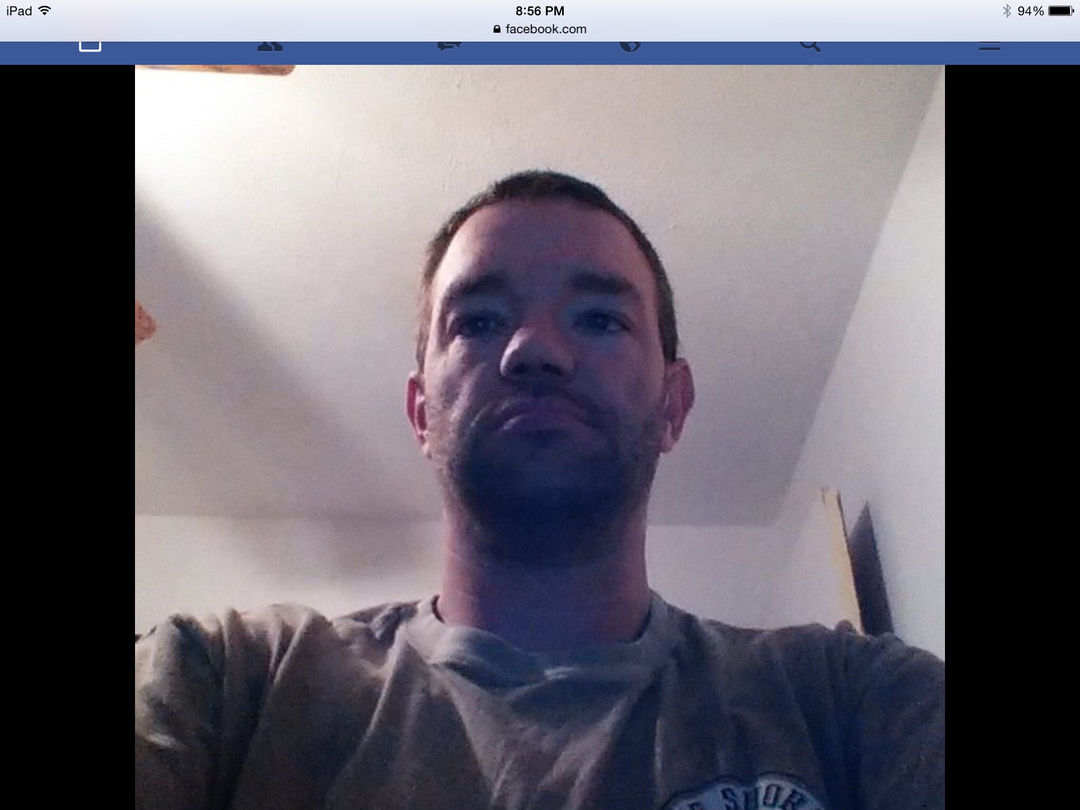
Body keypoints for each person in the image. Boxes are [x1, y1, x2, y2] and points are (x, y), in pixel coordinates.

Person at [135, 171, 944, 810]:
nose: (534, 350)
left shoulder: (850, 700)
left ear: (674, 405)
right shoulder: (229, 683)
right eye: (478, 321)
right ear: (421, 413)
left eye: (599, 319)